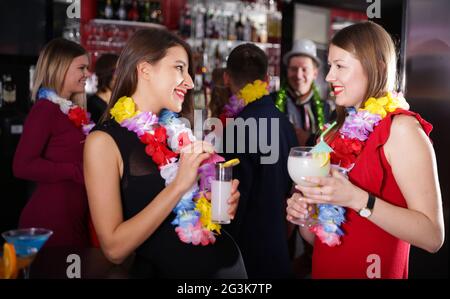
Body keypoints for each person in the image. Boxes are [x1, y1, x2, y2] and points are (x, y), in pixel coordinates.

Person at [83, 28, 247, 278]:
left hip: (226, 269)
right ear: (145, 69)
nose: (191, 82)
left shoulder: (178, 132)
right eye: (180, 68)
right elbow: (114, 249)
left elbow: (191, 214)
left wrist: (213, 206)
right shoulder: (102, 142)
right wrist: (179, 186)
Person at [286, 21, 445, 278]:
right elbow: (320, 240)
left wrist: (357, 199)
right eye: (329, 66)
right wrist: (306, 216)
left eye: (340, 66)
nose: (329, 77)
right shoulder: (332, 133)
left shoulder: (401, 130)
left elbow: (432, 236)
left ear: (377, 66)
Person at [221, 43, 298, 278]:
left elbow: (229, 206)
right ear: (266, 79)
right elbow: (292, 188)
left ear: (226, 78)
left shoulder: (236, 129)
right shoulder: (285, 124)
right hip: (279, 250)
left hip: (245, 258)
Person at [13, 38, 93, 247]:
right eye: (81, 68)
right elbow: (22, 166)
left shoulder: (71, 111)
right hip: (52, 220)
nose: (87, 74)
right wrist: (76, 171)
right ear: (60, 69)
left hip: (73, 217)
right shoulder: (45, 109)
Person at [273, 39, 335, 146]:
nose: (298, 75)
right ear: (287, 71)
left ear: (315, 73)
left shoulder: (325, 108)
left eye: (304, 69)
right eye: (293, 69)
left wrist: (308, 139)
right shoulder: (272, 102)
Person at [87, 53, 119, 123]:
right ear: (107, 73)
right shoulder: (93, 105)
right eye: (117, 72)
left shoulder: (121, 100)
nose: (121, 76)